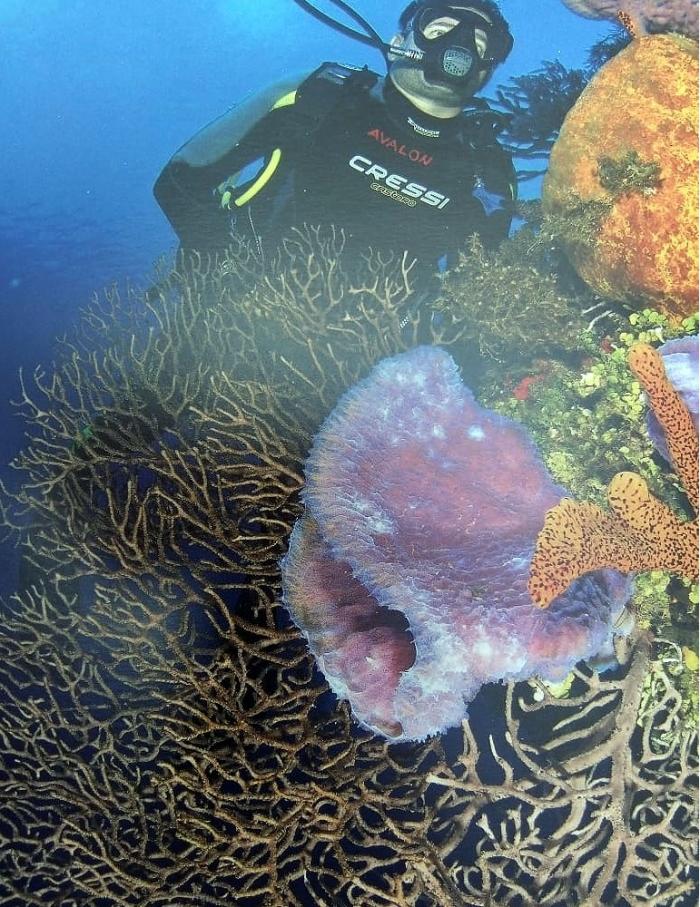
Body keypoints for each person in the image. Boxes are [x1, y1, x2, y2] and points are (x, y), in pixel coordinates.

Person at [153, 1, 517, 281]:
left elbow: (479, 288)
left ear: (487, 69)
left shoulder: (487, 166)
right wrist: (230, 277)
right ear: (397, 45)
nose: (460, 44)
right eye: (439, 28)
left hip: (381, 363)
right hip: (237, 322)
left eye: (479, 41)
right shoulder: (320, 96)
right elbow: (179, 183)